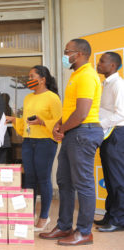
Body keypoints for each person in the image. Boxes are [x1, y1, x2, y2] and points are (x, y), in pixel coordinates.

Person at [40, 39, 103, 245]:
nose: (65, 55)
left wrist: (63, 129)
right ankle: (64, 226)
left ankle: (84, 232)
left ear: (80, 54)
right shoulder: (76, 75)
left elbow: (82, 113)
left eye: (67, 52)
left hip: (83, 133)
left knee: (83, 184)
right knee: (64, 181)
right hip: (73, 133)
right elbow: (70, 110)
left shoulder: (86, 75)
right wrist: (59, 125)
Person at [6, 65, 62, 231]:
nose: (29, 79)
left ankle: (44, 217)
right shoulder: (28, 98)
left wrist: (42, 122)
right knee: (29, 178)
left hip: (45, 142)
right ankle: (28, 214)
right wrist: (14, 119)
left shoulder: (53, 98)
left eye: (32, 76)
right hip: (29, 142)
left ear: (42, 79)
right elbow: (25, 122)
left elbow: (60, 123)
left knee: (43, 179)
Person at [95, 52, 124, 232]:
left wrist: (100, 125)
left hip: (116, 134)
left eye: (102, 61)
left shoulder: (118, 84)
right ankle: (110, 215)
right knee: (110, 178)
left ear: (112, 66)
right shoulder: (105, 84)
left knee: (118, 179)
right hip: (107, 134)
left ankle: (119, 219)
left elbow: (121, 113)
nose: (98, 64)